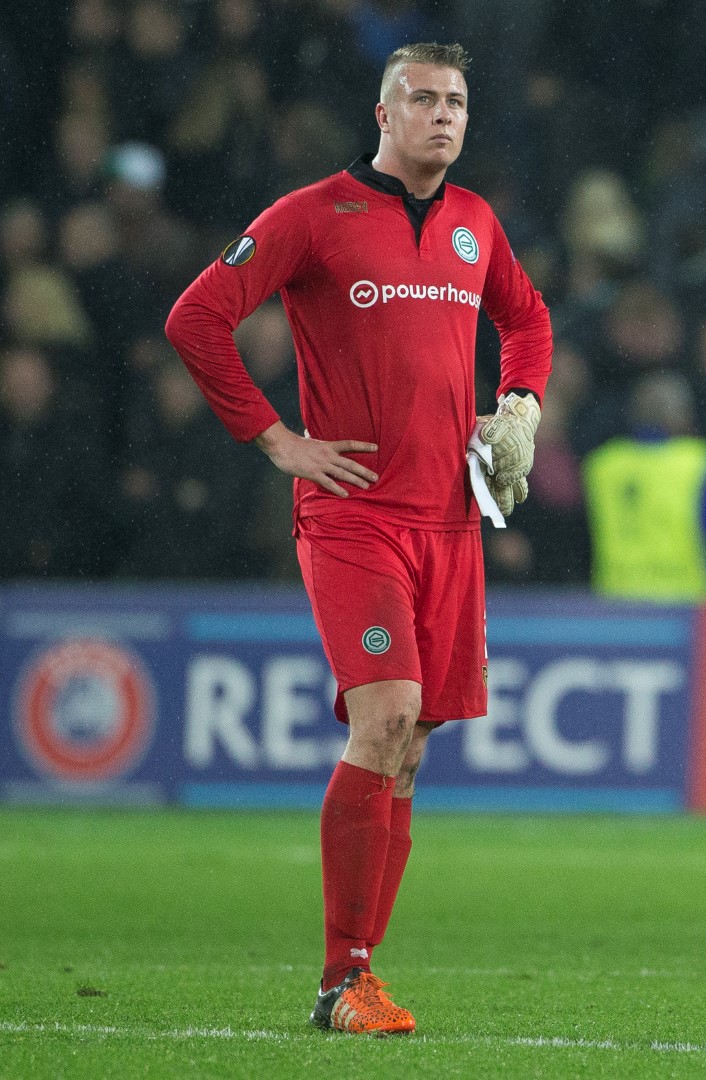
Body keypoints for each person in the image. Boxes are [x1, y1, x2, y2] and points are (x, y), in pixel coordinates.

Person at [165, 43, 552, 1035]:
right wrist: (276, 439)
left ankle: (358, 976)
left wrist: (520, 404)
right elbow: (197, 318)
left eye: (456, 101)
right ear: (383, 115)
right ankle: (343, 980)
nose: (443, 115)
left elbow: (527, 318)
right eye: (423, 99)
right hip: (354, 515)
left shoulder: (475, 223)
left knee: (410, 748)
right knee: (386, 717)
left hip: (451, 518)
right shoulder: (313, 216)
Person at [583, 372, 706, 602]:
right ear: (679, 415)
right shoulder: (699, 463)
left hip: (615, 606)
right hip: (685, 606)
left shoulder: (602, 466)